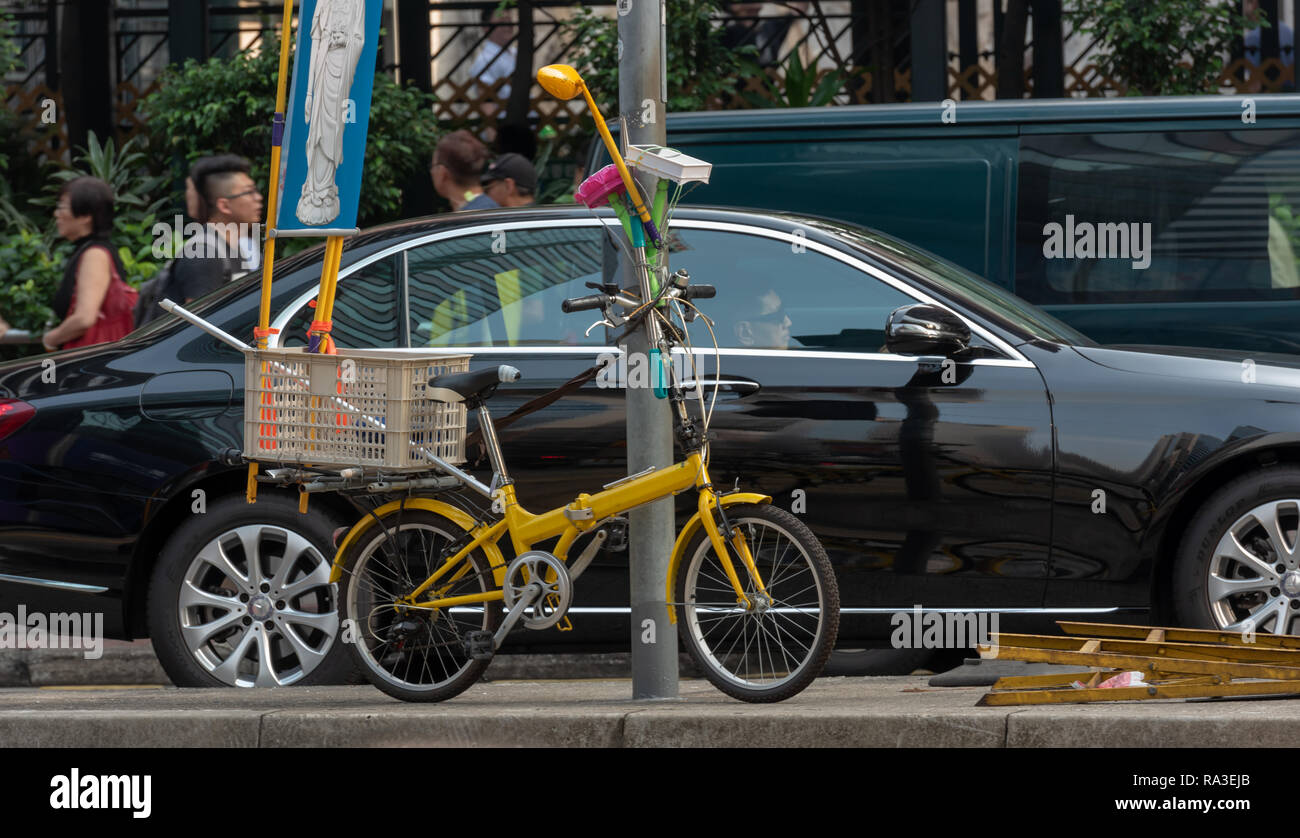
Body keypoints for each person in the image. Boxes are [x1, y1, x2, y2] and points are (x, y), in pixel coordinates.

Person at [41, 176, 137, 351]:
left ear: (86, 216)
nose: (57, 214)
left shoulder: (95, 255)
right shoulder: (89, 250)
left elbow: (84, 318)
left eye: (62, 207)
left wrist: (51, 339)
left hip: (93, 365)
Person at [170, 154, 264, 303]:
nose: (258, 198)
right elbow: (195, 323)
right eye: (249, 192)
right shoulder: (203, 255)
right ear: (224, 205)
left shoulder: (245, 246)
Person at [432, 130, 498, 211]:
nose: (432, 172)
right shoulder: (491, 208)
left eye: (433, 166)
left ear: (443, 173)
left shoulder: (465, 219)